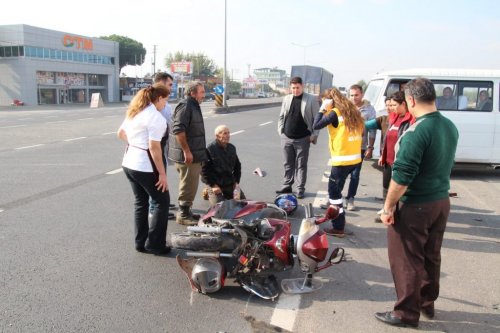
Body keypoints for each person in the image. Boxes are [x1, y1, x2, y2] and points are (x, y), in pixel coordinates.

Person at [375, 78, 459, 328]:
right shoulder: (449, 126)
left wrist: (388, 207)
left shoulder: (416, 131)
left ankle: (405, 313)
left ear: (410, 100)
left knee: (407, 259)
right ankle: (426, 303)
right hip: (440, 200)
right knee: (431, 255)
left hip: (416, 205)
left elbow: (401, 177)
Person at [117, 84, 171, 255]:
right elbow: (154, 148)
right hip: (145, 166)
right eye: (166, 99)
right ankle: (155, 244)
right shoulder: (156, 117)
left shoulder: (135, 112)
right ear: (159, 98)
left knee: (141, 202)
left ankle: (140, 242)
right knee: (162, 202)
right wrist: (162, 174)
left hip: (129, 162)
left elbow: (120, 133)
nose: (166, 104)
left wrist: (134, 144)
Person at [313, 88, 364, 238]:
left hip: (342, 160)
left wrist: (323, 109)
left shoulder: (335, 112)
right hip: (354, 159)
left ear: (329, 100)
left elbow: (316, 125)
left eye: (324, 100)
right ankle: (337, 218)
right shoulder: (352, 112)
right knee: (337, 191)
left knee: (334, 195)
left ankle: (338, 227)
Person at [369, 92, 415, 223]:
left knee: (397, 189)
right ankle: (387, 211)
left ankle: (397, 215)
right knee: (386, 187)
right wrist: (383, 154)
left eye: (394, 105)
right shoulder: (393, 117)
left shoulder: (411, 119)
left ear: (404, 104)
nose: (392, 107)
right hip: (388, 160)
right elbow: (387, 138)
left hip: (399, 161)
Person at [168, 81, 207, 226]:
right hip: (187, 156)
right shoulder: (186, 106)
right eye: (201, 92)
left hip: (193, 153)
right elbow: (178, 129)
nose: (204, 95)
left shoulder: (193, 105)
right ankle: (183, 215)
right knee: (188, 185)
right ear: (192, 93)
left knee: (191, 184)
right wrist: (187, 151)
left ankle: (187, 211)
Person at [276, 76, 320, 199]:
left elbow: (317, 119)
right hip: (287, 137)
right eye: (293, 88)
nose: (295, 90)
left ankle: (300, 188)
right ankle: (287, 185)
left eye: (297, 87)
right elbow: (281, 116)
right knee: (287, 163)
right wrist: (281, 131)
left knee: (301, 165)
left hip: (303, 138)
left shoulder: (311, 99)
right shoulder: (287, 98)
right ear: (290, 88)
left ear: (302, 86)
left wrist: (314, 134)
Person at [346, 84, 376, 211]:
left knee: (355, 174)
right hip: (344, 146)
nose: (354, 98)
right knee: (338, 174)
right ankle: (333, 199)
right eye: (351, 95)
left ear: (362, 94)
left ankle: (350, 199)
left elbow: (372, 130)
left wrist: (370, 147)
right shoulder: (345, 107)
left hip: (360, 147)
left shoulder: (369, 109)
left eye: (356, 95)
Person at [150, 72, 176, 220]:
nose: (171, 88)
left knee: (161, 175)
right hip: (155, 144)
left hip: (163, 142)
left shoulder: (165, 104)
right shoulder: (150, 105)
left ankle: (161, 203)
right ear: (160, 83)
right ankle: (156, 208)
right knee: (158, 176)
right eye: (169, 84)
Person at [201, 125, 245, 206]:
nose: (228, 136)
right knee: (220, 208)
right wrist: (213, 185)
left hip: (229, 182)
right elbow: (204, 171)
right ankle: (208, 190)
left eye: (228, 133)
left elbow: (237, 166)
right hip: (215, 182)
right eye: (225, 133)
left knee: (243, 204)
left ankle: (225, 191)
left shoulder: (232, 148)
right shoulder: (209, 149)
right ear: (217, 136)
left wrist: (236, 182)